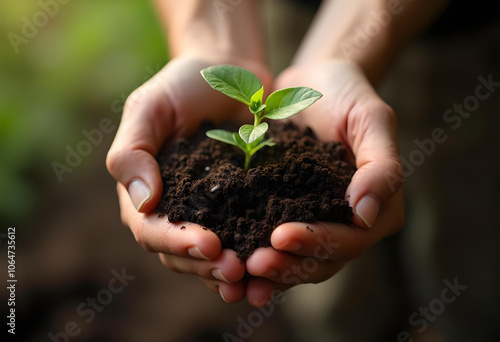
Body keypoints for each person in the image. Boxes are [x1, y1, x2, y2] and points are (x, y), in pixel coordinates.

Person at [106, 0, 449, 307]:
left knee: (450, 239)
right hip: (290, 12)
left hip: (446, 36)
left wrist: (349, 50)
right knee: (328, 292)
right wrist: (212, 42)